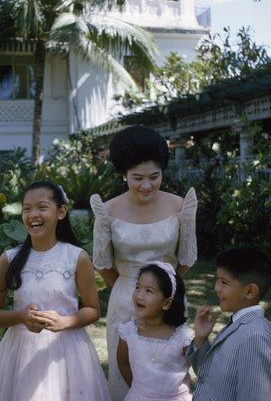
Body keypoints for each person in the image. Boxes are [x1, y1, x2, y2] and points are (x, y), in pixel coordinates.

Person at [90, 125, 197, 400]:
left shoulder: (179, 206)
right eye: (137, 178)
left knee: (170, 371)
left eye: (154, 176)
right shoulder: (108, 210)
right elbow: (102, 263)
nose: (146, 185)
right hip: (126, 299)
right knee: (125, 369)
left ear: (162, 172)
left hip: (169, 299)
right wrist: (130, 285)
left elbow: (186, 258)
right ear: (124, 174)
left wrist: (164, 287)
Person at [0, 179, 110, 401]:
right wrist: (21, 317)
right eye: (27, 209)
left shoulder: (76, 257)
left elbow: (93, 309)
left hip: (67, 352)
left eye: (42, 207)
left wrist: (65, 322)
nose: (33, 214)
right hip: (20, 353)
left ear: (60, 212)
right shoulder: (10, 259)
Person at [187, 246, 271, 401]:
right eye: (216, 279)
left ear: (250, 291)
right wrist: (201, 339)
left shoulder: (256, 337)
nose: (216, 288)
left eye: (224, 283)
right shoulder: (238, 324)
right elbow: (208, 377)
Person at [117, 262, 194, 400]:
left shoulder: (183, 337)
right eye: (137, 287)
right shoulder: (128, 332)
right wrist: (139, 390)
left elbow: (202, 369)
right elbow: (123, 362)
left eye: (149, 291)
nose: (139, 295)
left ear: (166, 303)